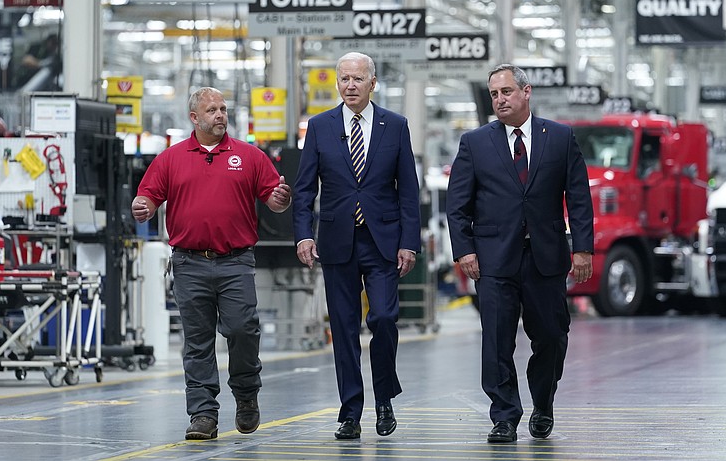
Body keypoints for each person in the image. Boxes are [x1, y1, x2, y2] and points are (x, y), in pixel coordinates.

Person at [131, 87, 291, 441]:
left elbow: (274, 199)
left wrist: (280, 199)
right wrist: (142, 206)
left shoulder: (249, 156)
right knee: (198, 341)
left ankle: (247, 395)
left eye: (223, 108)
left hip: (235, 262)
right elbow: (147, 197)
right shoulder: (171, 159)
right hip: (189, 263)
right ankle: (203, 414)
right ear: (194, 117)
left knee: (241, 330)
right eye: (212, 110)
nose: (220, 114)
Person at [446, 64, 594, 443]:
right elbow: (457, 204)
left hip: (545, 257)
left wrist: (582, 249)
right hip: (493, 258)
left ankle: (543, 404)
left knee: (551, 336)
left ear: (527, 93)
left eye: (507, 92)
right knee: (496, 340)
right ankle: (504, 416)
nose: (500, 100)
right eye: (494, 94)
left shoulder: (559, 138)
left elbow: (578, 198)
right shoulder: (475, 142)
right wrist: (464, 250)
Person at [292, 52, 421, 440]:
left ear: (372, 83)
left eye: (357, 79)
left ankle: (384, 398)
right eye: (344, 79)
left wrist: (409, 243)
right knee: (344, 330)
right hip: (336, 243)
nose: (350, 85)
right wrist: (303, 234)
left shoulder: (395, 126)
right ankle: (350, 412)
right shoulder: (319, 126)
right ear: (337, 83)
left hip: (382, 242)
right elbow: (303, 189)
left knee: (382, 318)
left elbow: (408, 192)